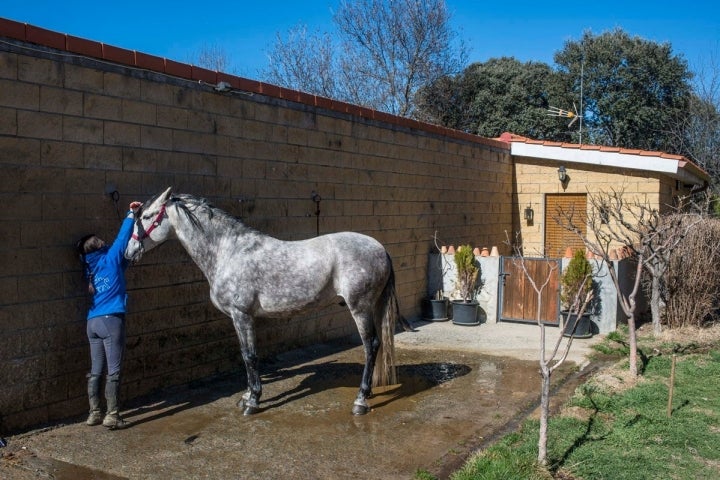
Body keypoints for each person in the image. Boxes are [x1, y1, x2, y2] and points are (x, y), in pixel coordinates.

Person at [76, 200, 142, 429]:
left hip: (92, 322)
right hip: (111, 320)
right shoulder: (110, 259)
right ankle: (112, 415)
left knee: (96, 370)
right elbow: (122, 239)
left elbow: (117, 265)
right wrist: (131, 213)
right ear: (99, 246)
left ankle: (94, 413)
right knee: (113, 370)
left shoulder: (90, 268)